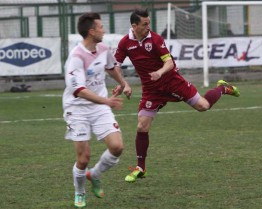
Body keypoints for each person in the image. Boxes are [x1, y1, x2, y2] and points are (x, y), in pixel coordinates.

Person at [114, 9, 240, 183]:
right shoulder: (125, 43)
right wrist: (124, 84)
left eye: (149, 23)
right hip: (152, 89)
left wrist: (159, 72)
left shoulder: (156, 39)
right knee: (142, 126)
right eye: (145, 24)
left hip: (172, 82)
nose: (148, 27)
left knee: (203, 106)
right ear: (134, 26)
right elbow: (116, 66)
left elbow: (169, 62)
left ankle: (223, 89)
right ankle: (140, 167)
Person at [62, 12, 131, 208]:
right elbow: (79, 90)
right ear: (91, 31)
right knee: (83, 158)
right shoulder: (76, 57)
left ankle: (95, 174)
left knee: (117, 147)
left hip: (100, 105)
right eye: (101, 27)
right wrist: (106, 101)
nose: (104, 30)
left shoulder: (103, 48)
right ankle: (80, 192)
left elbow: (111, 68)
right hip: (77, 109)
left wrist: (123, 83)